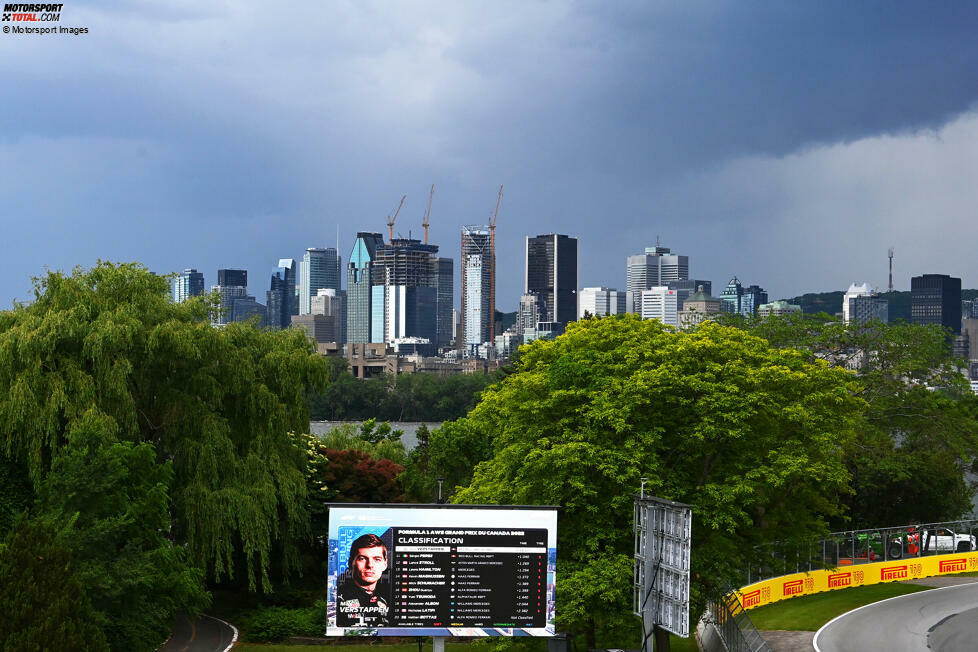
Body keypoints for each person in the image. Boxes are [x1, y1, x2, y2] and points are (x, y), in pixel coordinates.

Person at [337, 533, 390, 627]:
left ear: (385, 564)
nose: (370, 565)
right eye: (362, 558)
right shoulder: (338, 598)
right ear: (350, 563)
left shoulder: (385, 600)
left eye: (377, 559)